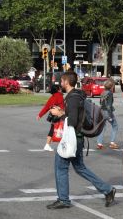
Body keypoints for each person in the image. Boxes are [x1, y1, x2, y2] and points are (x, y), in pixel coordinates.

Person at [46, 72, 116, 209]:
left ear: (66, 81)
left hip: (72, 138)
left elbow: (72, 120)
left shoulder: (72, 98)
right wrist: (62, 112)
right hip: (77, 138)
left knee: (60, 167)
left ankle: (63, 200)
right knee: (80, 168)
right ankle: (108, 190)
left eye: (62, 81)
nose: (60, 83)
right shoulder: (78, 96)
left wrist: (59, 113)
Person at [37, 84, 65, 151]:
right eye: (60, 88)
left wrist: (40, 115)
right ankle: (62, 146)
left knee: (52, 130)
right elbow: (62, 107)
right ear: (58, 89)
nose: (61, 89)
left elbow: (46, 107)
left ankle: (47, 145)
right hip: (59, 115)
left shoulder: (52, 97)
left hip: (53, 116)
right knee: (62, 130)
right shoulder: (60, 96)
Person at [96, 79, 120, 150]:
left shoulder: (103, 92)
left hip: (102, 111)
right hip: (107, 112)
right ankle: (112, 142)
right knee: (115, 126)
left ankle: (99, 143)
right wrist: (110, 116)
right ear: (111, 86)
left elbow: (101, 103)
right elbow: (109, 105)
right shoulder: (110, 93)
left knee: (102, 127)